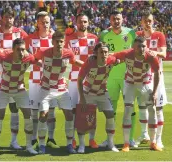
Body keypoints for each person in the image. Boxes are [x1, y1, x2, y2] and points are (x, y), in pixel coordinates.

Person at [24, 31, 83, 154]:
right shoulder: (45, 52)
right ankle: (41, 145)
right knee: (43, 116)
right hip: (45, 88)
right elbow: (32, 58)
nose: (59, 44)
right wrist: (38, 63)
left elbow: (76, 62)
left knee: (69, 115)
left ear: (64, 42)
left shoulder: (68, 53)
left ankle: (69, 144)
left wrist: (90, 64)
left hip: (61, 89)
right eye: (57, 41)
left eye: (61, 41)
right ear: (52, 42)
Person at [110, 36, 162, 152]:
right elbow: (113, 56)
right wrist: (115, 61)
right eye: (139, 46)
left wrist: (154, 93)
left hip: (145, 84)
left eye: (144, 46)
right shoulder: (127, 53)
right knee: (128, 111)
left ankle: (153, 142)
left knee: (152, 110)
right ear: (134, 47)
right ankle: (126, 143)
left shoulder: (151, 57)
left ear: (146, 46)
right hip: (130, 84)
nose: (142, 48)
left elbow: (157, 73)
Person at [0, 6, 28, 150]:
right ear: (1, 18)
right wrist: (1, 53)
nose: (8, 19)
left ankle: (14, 141)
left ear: (14, 18)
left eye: (11, 17)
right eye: (6, 16)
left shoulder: (20, 33)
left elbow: (27, 50)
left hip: (14, 75)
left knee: (14, 107)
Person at [0, 38, 38, 156]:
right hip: (4, 90)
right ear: (13, 49)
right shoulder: (3, 56)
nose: (21, 52)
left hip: (19, 90)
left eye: (23, 50)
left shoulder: (29, 57)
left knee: (29, 116)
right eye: (18, 50)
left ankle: (29, 146)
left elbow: (40, 60)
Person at [99, 10, 137, 147]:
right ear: (110, 20)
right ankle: (109, 140)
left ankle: (130, 139)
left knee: (130, 109)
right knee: (110, 109)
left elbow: (136, 51)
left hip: (128, 77)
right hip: (110, 77)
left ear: (123, 19)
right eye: (113, 18)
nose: (116, 21)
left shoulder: (131, 33)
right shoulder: (104, 34)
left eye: (118, 18)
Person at [77, 42, 120, 153]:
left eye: (106, 52)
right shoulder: (90, 62)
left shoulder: (111, 59)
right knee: (84, 119)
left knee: (110, 115)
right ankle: (81, 145)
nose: (104, 54)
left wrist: (118, 61)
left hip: (102, 92)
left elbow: (119, 59)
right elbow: (80, 80)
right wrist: (82, 98)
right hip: (88, 93)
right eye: (101, 52)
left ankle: (110, 143)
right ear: (96, 53)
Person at [64, 13, 99, 149]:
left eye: (85, 22)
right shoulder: (69, 39)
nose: (82, 24)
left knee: (90, 110)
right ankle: (72, 139)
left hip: (90, 80)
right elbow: (69, 59)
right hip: (74, 78)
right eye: (80, 22)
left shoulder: (94, 39)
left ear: (88, 23)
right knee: (73, 110)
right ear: (76, 23)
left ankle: (91, 139)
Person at [25, 11, 58, 149]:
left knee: (51, 110)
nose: (45, 25)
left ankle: (51, 138)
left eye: (47, 22)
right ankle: (34, 139)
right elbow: (25, 54)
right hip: (35, 79)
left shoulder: (55, 38)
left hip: (51, 80)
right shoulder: (30, 38)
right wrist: (36, 61)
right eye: (42, 22)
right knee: (34, 111)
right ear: (37, 24)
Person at [135, 11, 167, 148]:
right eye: (145, 21)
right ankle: (144, 134)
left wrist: (155, 52)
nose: (147, 23)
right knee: (143, 106)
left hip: (156, 76)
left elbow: (164, 54)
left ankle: (158, 139)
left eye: (150, 21)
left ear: (152, 21)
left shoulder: (159, 35)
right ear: (141, 22)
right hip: (141, 77)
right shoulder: (138, 36)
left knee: (158, 108)